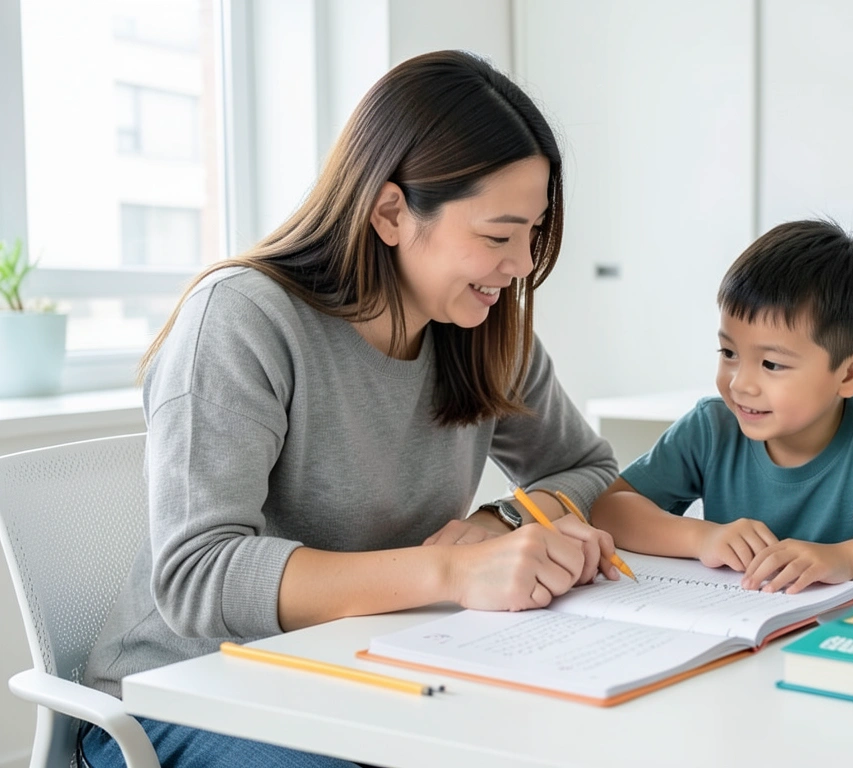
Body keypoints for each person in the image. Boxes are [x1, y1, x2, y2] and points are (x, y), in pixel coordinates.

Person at [79, 51, 619, 767]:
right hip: (176, 696)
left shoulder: (482, 328)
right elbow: (197, 575)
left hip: (364, 669)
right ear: (391, 211)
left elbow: (587, 466)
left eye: (533, 232)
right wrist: (454, 573)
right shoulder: (244, 319)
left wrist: (501, 521)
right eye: (497, 235)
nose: (521, 264)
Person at [590, 220, 853, 594]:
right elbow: (611, 509)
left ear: (852, 373)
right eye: (729, 352)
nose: (739, 383)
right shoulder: (712, 427)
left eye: (772, 364)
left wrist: (847, 558)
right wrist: (703, 538)